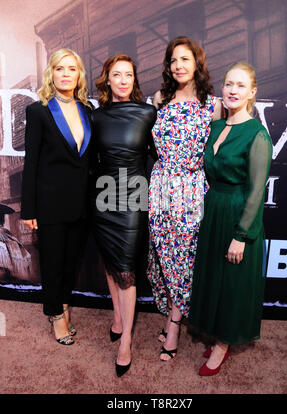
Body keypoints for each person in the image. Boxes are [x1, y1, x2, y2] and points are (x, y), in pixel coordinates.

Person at [189, 62, 273, 376]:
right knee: (215, 278)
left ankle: (223, 345)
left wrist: (241, 235)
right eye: (228, 84)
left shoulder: (258, 135)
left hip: (239, 214)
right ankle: (215, 334)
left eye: (240, 85)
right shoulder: (215, 127)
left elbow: (256, 192)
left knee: (233, 285)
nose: (233, 90)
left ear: (252, 92)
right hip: (214, 210)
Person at [147, 36, 223, 361]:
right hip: (161, 185)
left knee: (184, 259)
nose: (179, 66)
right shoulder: (160, 98)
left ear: (197, 64)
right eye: (174, 60)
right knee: (163, 255)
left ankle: (174, 328)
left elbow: (218, 153)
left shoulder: (213, 104)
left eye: (185, 60)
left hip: (192, 189)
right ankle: (171, 316)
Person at [21, 48, 93, 346]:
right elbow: (32, 162)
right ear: (51, 72)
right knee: (52, 262)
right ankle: (55, 314)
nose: (66, 74)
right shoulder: (38, 110)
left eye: (72, 68)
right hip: (49, 203)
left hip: (81, 202)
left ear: (79, 74)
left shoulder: (87, 109)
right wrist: (28, 209)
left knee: (71, 261)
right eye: (60, 68)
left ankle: (63, 304)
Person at [91, 54, 157, 377]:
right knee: (110, 261)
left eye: (128, 75)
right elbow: (90, 158)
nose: (122, 80)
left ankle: (126, 340)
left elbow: (159, 156)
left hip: (132, 197)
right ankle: (117, 318)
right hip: (103, 194)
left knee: (127, 269)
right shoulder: (97, 116)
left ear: (134, 79)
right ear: (107, 79)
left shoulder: (148, 113)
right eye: (116, 75)